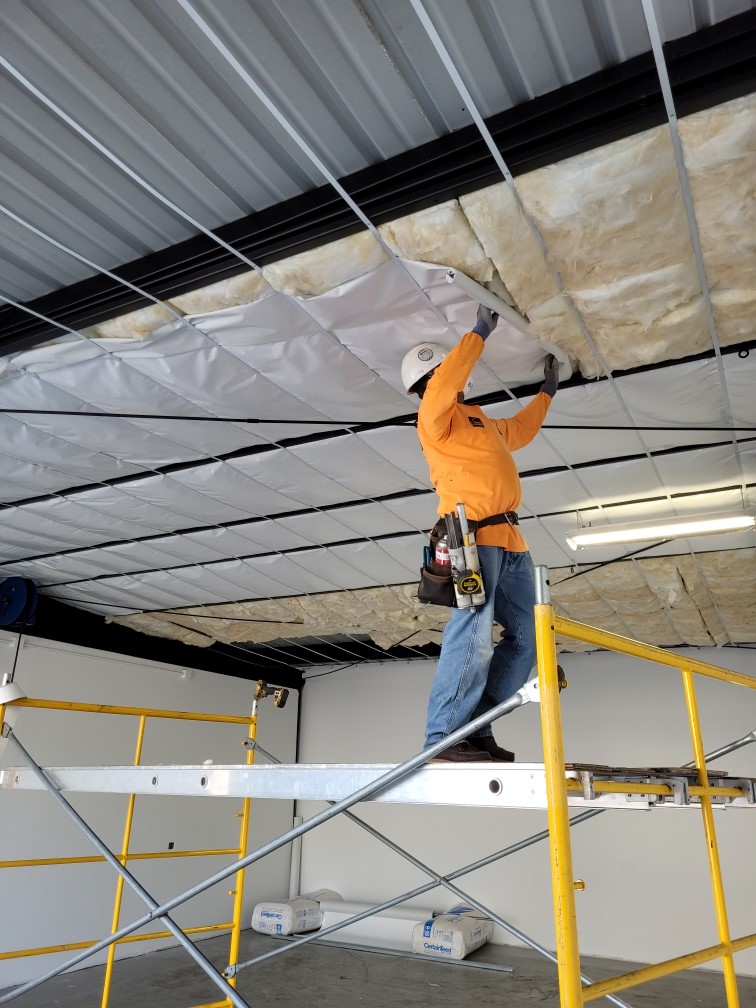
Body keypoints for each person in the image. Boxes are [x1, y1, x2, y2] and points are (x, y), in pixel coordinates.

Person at [401, 306, 559, 762]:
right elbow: (443, 385)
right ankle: (443, 740)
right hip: (466, 538)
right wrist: (479, 333)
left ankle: (474, 728)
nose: (449, 382)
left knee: (530, 635)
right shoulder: (434, 421)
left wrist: (547, 392)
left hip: (510, 542)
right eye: (440, 377)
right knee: (471, 634)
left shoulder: (480, 424)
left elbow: (521, 430)